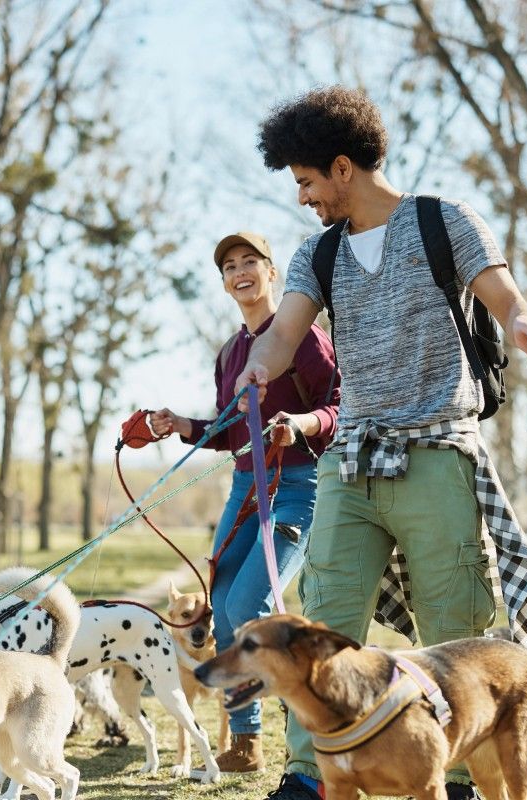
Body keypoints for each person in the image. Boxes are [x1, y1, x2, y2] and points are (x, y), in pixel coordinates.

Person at [234, 86, 527, 800]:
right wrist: (262, 365)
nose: (304, 198)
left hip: (437, 452)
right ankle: (307, 774)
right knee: (319, 616)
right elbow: (286, 333)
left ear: (343, 166)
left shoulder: (446, 223)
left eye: (307, 181)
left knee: (455, 622)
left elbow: (504, 295)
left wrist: (525, 323)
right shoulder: (317, 254)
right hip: (352, 462)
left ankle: (458, 771)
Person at [150, 231, 340, 775]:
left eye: (250, 261)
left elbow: (337, 409)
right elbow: (230, 429)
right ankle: (245, 742)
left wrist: (296, 427)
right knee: (223, 603)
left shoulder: (305, 339)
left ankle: (300, 727)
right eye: (229, 266)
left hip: (298, 487)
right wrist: (182, 426)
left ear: (272, 271)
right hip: (242, 489)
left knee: (247, 608)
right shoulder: (231, 354)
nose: (240, 272)